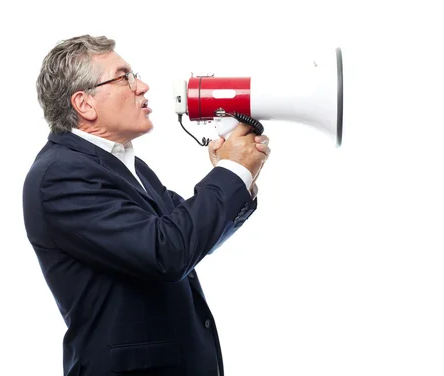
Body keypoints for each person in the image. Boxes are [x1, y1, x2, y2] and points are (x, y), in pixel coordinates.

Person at [22, 34, 270, 376]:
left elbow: (187, 233)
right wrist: (232, 171)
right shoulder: (61, 176)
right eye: (125, 77)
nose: (142, 86)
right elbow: (168, 252)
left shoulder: (123, 165)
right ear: (84, 104)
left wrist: (242, 176)